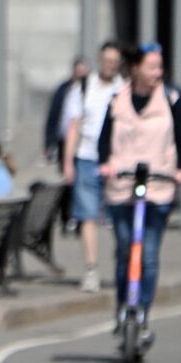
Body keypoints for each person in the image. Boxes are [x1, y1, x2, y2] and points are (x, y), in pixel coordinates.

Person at [98, 43, 181, 347]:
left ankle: (142, 315)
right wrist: (105, 165)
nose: (158, 72)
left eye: (160, 67)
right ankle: (122, 308)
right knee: (126, 249)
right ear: (136, 68)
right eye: (152, 66)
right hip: (122, 183)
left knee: (148, 256)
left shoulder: (171, 99)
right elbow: (103, 141)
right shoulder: (117, 100)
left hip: (158, 184)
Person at [63, 42, 125, 293]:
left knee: (118, 216)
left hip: (116, 160)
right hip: (87, 157)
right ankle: (91, 269)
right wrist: (68, 162)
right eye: (106, 60)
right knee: (88, 216)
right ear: (99, 60)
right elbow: (74, 126)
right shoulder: (84, 86)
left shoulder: (124, 89)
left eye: (114, 61)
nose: (110, 65)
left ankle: (123, 264)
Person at [45, 56, 88, 164]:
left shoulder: (91, 91)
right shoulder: (64, 89)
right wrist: (49, 142)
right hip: (63, 139)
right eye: (79, 71)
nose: (81, 75)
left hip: (83, 142)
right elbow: (53, 115)